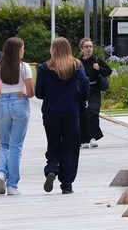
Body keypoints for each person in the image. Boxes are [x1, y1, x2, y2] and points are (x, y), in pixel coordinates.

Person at [35, 37, 90, 194]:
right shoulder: (76, 65)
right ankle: (66, 184)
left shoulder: (44, 67)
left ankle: (51, 168)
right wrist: (84, 98)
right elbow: (85, 82)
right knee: (71, 146)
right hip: (71, 111)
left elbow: (39, 93)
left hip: (50, 112)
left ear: (53, 49)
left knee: (53, 142)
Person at [0, 37, 34, 196]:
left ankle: (1, 173)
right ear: (18, 50)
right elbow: (31, 92)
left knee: (4, 144)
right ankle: (12, 186)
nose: (23, 51)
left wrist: (3, 90)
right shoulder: (24, 67)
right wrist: (21, 92)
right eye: (23, 48)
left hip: (2, 104)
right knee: (16, 147)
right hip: (19, 103)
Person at [78, 38, 112, 148]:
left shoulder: (97, 60)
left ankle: (93, 138)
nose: (88, 48)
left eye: (90, 46)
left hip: (94, 89)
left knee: (93, 112)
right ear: (82, 49)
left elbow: (109, 71)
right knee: (83, 114)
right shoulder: (78, 62)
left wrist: (99, 68)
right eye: (86, 47)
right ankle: (84, 140)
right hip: (82, 90)